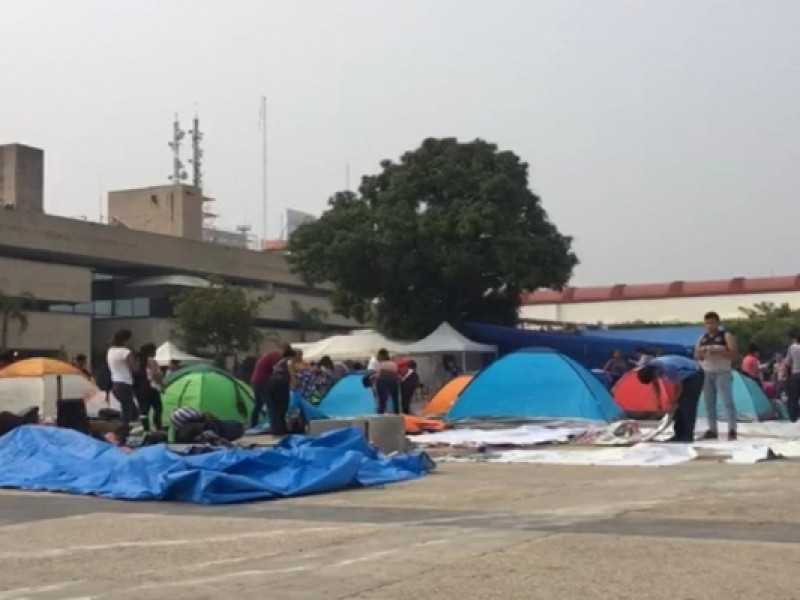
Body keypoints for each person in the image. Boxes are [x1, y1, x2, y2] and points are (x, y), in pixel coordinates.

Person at [637, 355, 705, 443]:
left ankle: (687, 435)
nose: (658, 377)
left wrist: (673, 402)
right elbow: (655, 385)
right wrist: (658, 403)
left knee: (687, 406)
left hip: (694, 373)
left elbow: (678, 387)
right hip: (682, 375)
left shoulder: (668, 368)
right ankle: (678, 434)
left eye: (656, 375)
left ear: (655, 371)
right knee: (678, 409)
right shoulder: (651, 367)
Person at [695, 311, 738, 440]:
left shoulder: (725, 336)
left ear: (718, 323)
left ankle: (732, 429)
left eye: (712, 323)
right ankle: (712, 429)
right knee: (709, 403)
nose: (710, 326)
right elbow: (696, 355)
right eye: (707, 323)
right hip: (707, 372)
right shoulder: (702, 338)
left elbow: (733, 354)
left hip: (722, 371)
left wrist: (719, 351)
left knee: (727, 402)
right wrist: (702, 353)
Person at [106, 329, 138, 427]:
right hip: (125, 383)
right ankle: (124, 434)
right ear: (125, 340)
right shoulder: (125, 352)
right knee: (128, 413)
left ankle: (122, 430)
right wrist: (134, 354)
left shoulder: (110, 351)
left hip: (115, 383)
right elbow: (134, 368)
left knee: (126, 410)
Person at [264, 346, 297, 435]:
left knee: (276, 408)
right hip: (281, 386)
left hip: (272, 385)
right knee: (283, 408)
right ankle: (281, 429)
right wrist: (294, 385)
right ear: (291, 356)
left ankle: (277, 429)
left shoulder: (279, 363)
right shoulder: (289, 362)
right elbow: (291, 374)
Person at [249, 348, 282, 427]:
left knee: (258, 404)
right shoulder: (275, 357)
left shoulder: (267, 356)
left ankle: (253, 424)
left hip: (254, 381)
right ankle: (275, 426)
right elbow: (277, 370)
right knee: (270, 404)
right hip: (262, 381)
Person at [134, 343, 164, 431]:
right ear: (151, 351)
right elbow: (155, 374)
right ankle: (158, 427)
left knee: (144, 410)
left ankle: (145, 429)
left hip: (139, 388)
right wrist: (162, 385)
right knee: (158, 408)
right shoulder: (151, 360)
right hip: (151, 387)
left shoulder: (138, 361)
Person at [374, 349, 400, 414]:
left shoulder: (380, 363)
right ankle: (396, 412)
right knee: (395, 398)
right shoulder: (393, 363)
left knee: (382, 397)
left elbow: (378, 373)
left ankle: (381, 411)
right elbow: (395, 371)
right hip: (393, 380)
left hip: (383, 380)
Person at [783, 334, 800, 422]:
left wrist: (785, 375)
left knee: (794, 397)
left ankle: (793, 417)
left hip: (795, 373)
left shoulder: (792, 347)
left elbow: (787, 362)